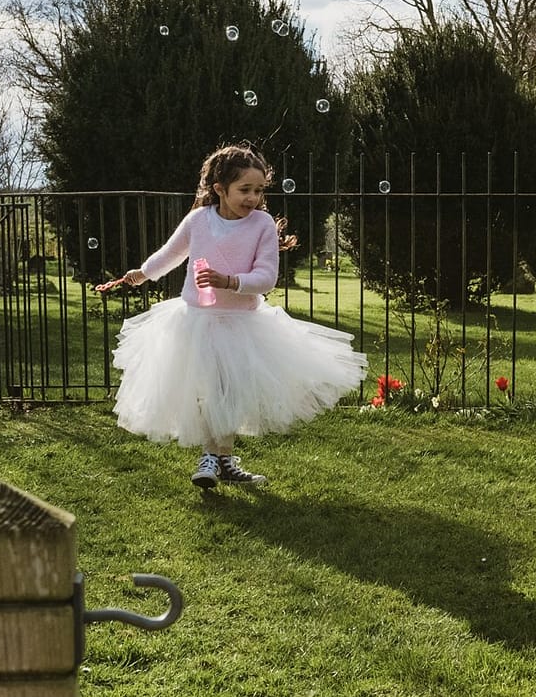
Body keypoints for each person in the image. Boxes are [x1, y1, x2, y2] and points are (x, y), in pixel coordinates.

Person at [96, 143, 367, 489]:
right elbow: (170, 255)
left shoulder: (262, 225)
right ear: (219, 188)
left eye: (258, 190)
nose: (252, 198)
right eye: (244, 190)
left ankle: (215, 458)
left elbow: (266, 277)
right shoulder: (198, 221)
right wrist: (140, 274)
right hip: (195, 323)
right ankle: (219, 459)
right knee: (211, 390)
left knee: (227, 392)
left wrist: (231, 281)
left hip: (242, 326)